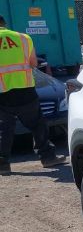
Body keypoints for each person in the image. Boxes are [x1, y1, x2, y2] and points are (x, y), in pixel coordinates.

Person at [0, 15, 66, 175]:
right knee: (37, 124)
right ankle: (48, 158)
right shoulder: (23, 38)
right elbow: (34, 64)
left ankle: (3, 165)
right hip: (25, 90)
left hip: (1, 93)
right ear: (4, 25)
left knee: (4, 129)